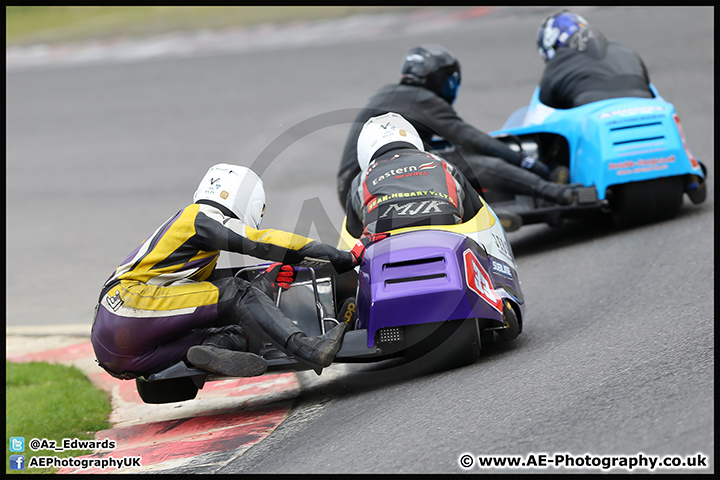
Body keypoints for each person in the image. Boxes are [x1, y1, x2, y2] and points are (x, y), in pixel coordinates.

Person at [91, 164, 363, 381]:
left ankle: (215, 349)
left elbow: (208, 289)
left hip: (117, 349)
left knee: (239, 324)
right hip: (128, 303)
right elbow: (263, 243)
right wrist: (341, 257)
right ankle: (310, 348)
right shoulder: (198, 217)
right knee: (237, 292)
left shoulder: (184, 241)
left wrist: (265, 280)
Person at [337, 44, 577, 219]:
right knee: (479, 164)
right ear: (443, 79)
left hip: (353, 191)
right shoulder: (421, 99)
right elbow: (472, 139)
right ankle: (555, 192)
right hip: (376, 178)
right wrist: (529, 163)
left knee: (443, 157)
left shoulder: (390, 94)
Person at [345, 112, 484, 238]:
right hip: (447, 242)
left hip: (386, 253)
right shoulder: (443, 164)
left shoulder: (361, 180)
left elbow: (352, 237)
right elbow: (478, 217)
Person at [536, 10, 654, 109]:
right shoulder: (626, 49)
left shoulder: (556, 63)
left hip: (589, 114)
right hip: (643, 105)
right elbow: (649, 88)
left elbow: (544, 110)